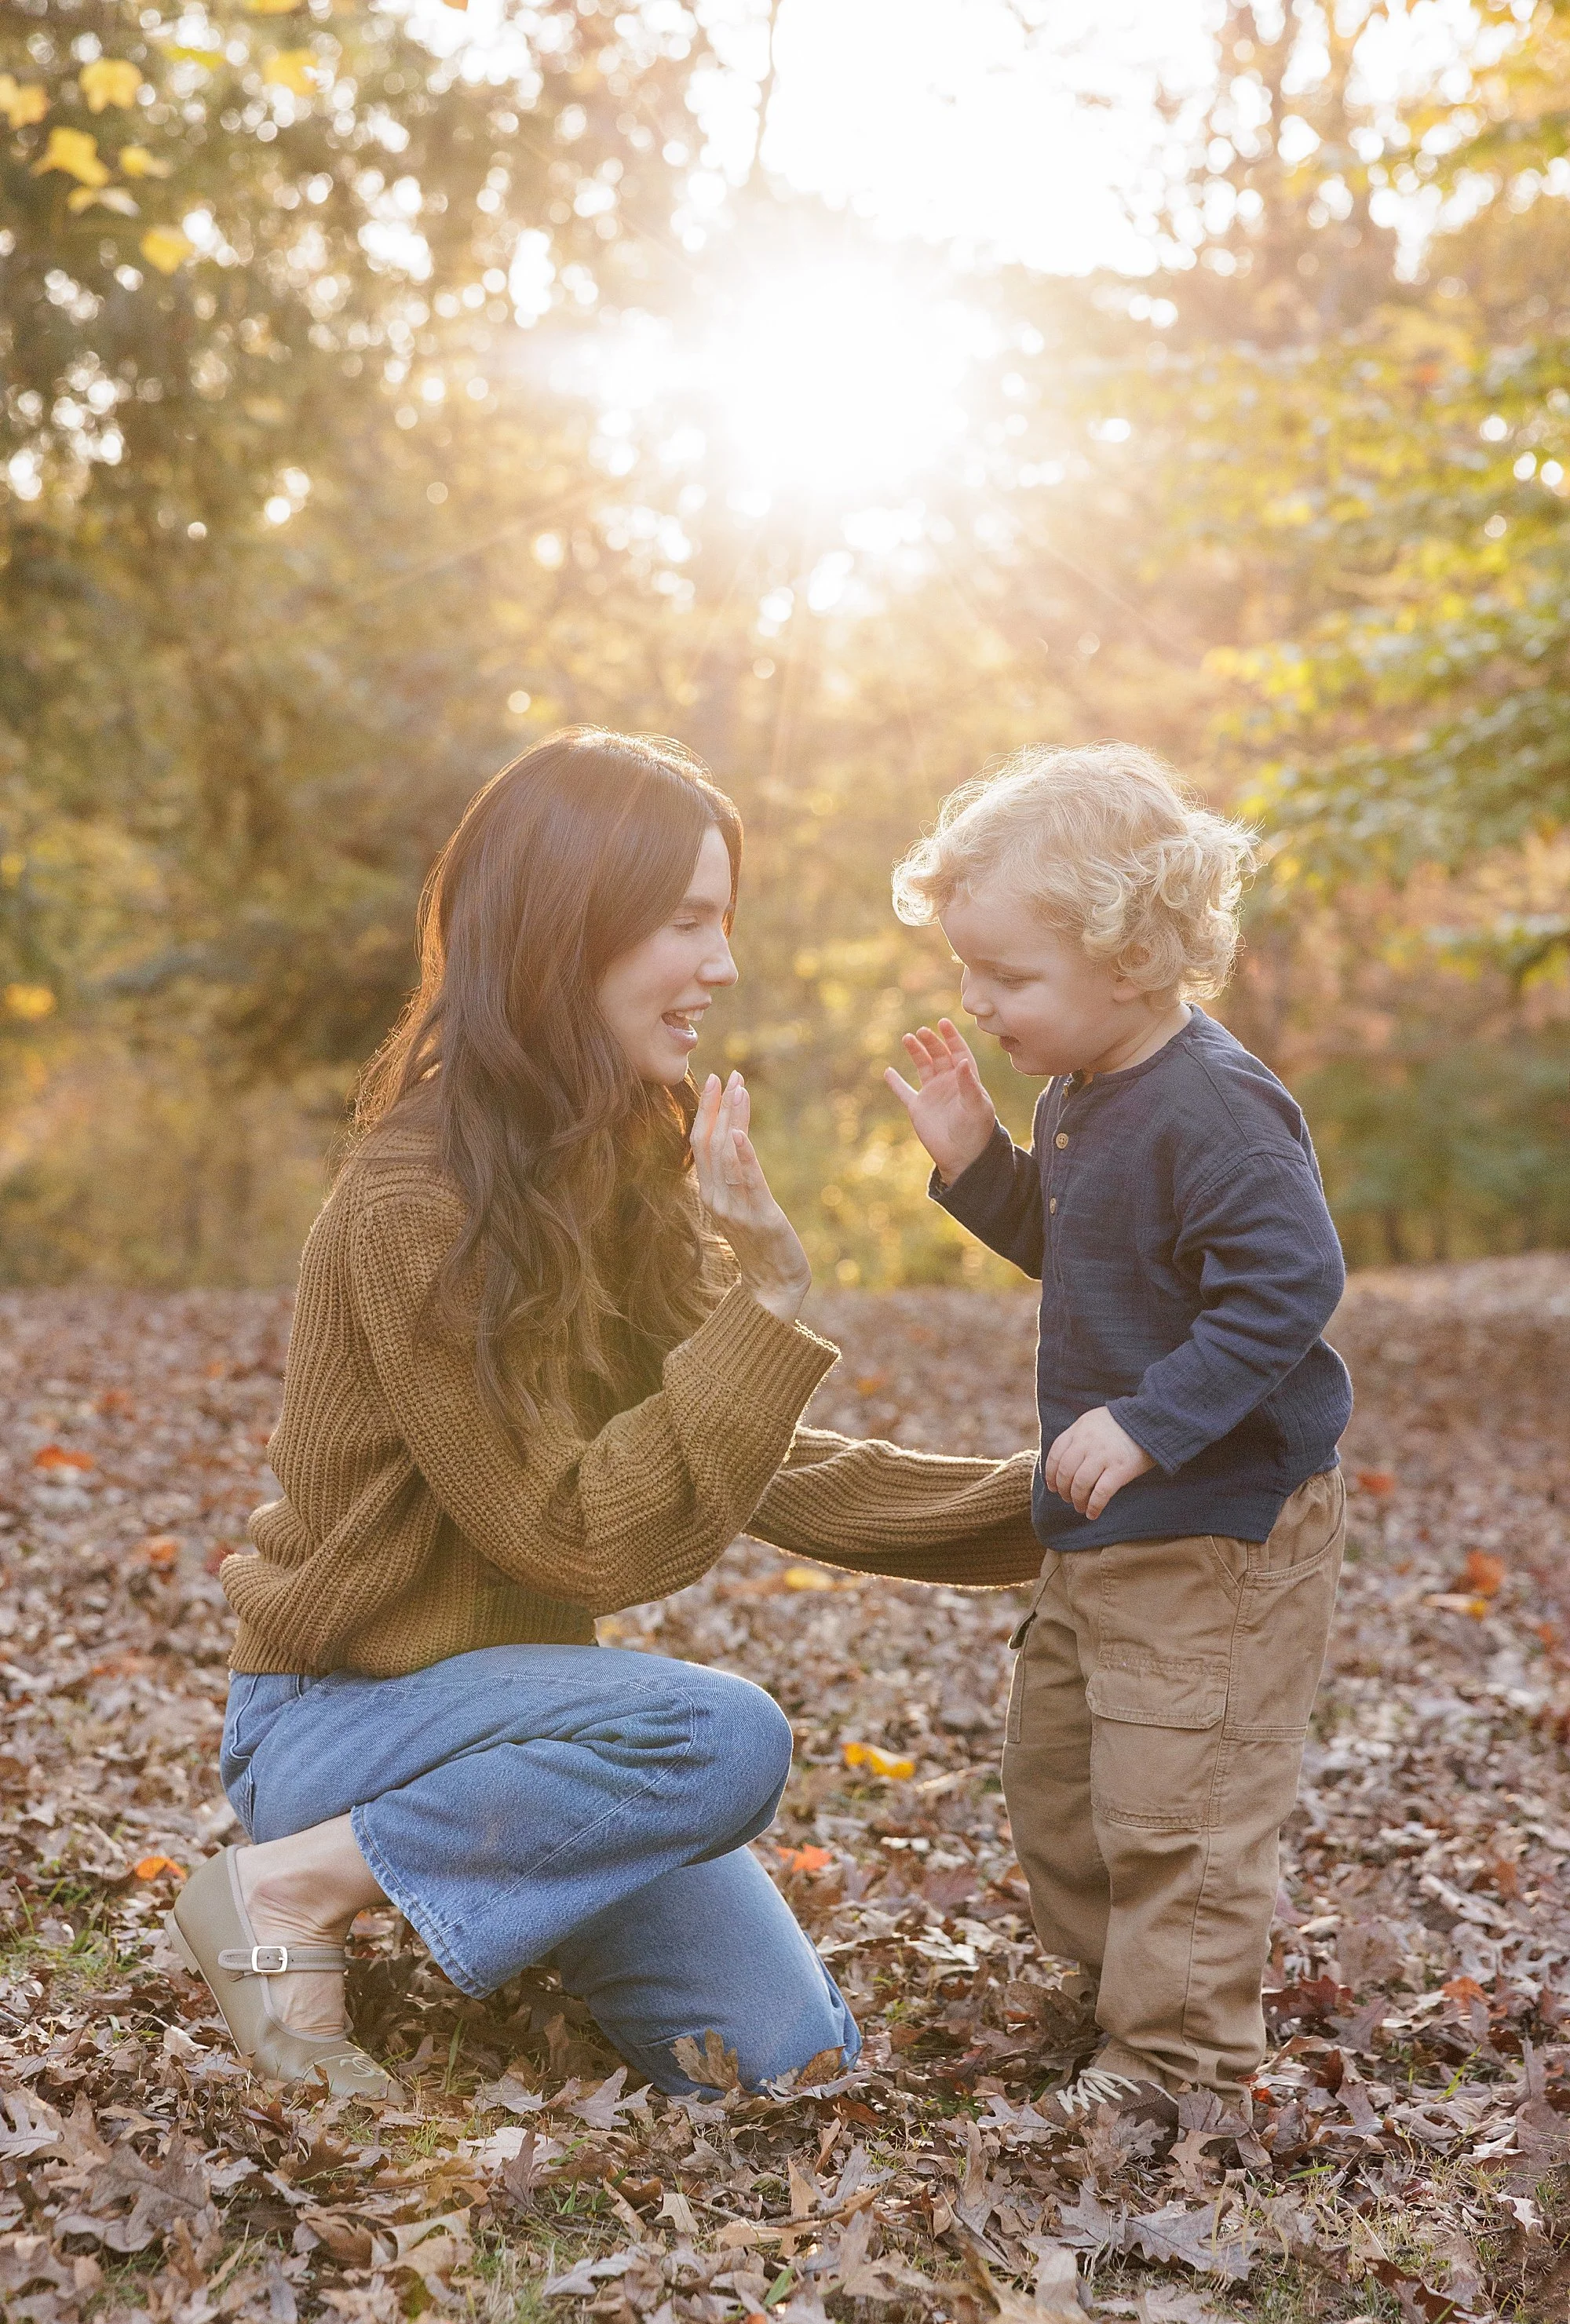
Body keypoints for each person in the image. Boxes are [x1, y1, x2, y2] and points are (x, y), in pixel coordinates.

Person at [169, 728, 1043, 2101]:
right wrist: (770, 1301)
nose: (723, 965)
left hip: (535, 1736)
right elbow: (565, 1533)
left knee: (786, 2063)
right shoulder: (411, 1201)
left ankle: (479, 1886)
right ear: (570, 926)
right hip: (338, 1715)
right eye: (688, 920)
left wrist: (1058, 1509)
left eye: (724, 921)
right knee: (722, 1738)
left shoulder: (623, 1157)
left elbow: (758, 1454)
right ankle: (288, 1885)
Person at [884, 741, 1353, 2119]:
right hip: (1110, 1518)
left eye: (1009, 975)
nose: (979, 1001)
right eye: (968, 969)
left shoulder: (1215, 1103)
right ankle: (1121, 1994)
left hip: (1218, 1522)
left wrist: (1151, 1421)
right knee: (1062, 1778)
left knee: (1177, 1800)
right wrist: (981, 1165)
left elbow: (1289, 1285)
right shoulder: (1084, 1090)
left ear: (1133, 956)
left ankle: (1176, 2060)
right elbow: (1089, 1257)